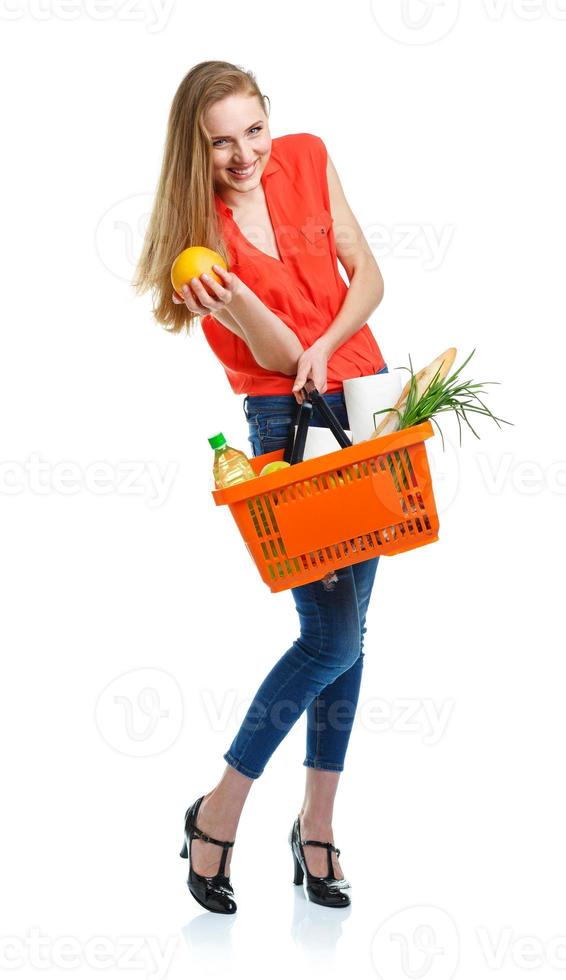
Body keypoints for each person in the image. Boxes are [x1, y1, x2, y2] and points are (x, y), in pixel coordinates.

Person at [133, 61, 388, 915]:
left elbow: (370, 277)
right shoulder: (195, 248)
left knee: (352, 629)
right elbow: (279, 358)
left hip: (367, 400)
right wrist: (264, 316)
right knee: (330, 635)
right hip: (287, 428)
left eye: (253, 130)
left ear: (270, 119)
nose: (245, 154)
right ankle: (221, 809)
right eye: (220, 143)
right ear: (194, 151)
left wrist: (335, 343)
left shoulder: (309, 156)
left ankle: (316, 829)